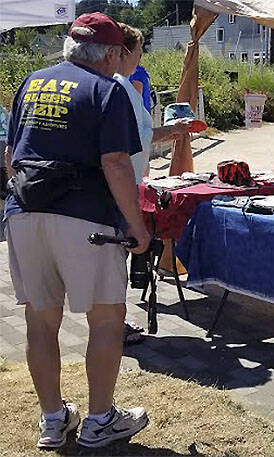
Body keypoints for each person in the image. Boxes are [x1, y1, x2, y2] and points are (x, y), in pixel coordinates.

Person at [4, 12, 151, 449]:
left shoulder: (32, 82)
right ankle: (101, 419)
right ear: (109, 54)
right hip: (87, 218)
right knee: (107, 318)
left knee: (39, 320)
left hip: (24, 211)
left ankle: (52, 417)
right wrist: (136, 226)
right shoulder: (106, 90)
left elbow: (11, 153)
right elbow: (116, 163)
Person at [113, 23, 190, 343]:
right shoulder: (119, 88)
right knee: (116, 258)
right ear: (124, 52)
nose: (142, 56)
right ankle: (114, 324)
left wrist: (169, 132)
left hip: (125, 178)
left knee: (116, 257)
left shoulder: (121, 85)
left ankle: (113, 321)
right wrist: (170, 131)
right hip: (121, 182)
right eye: (140, 50)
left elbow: (139, 137)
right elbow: (134, 140)